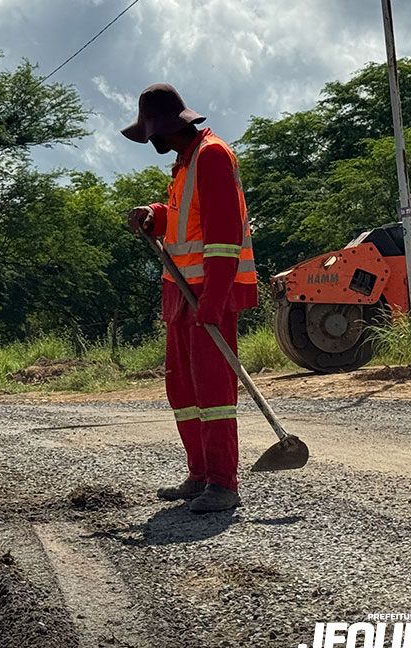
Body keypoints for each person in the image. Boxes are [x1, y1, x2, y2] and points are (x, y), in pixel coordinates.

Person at [122, 83, 258, 513]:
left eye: (150, 135)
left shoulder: (212, 156)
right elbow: (185, 222)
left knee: (213, 390)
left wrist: (214, 300)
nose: (151, 144)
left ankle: (223, 482)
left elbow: (224, 237)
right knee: (183, 389)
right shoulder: (186, 162)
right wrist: (154, 215)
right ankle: (199, 474)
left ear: (163, 131)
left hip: (206, 295)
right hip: (181, 293)